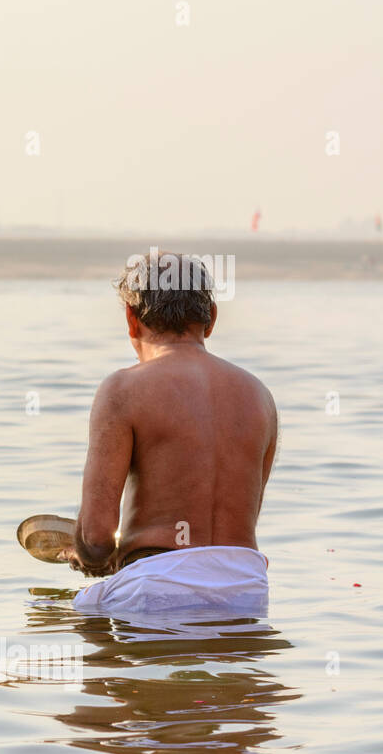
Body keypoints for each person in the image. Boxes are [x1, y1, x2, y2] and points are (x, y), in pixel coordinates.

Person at [63, 249, 277, 610]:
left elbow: (97, 536)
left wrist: (84, 554)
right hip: (246, 588)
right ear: (210, 319)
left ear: (132, 320)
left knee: (77, 634)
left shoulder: (123, 390)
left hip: (157, 584)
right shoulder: (259, 395)